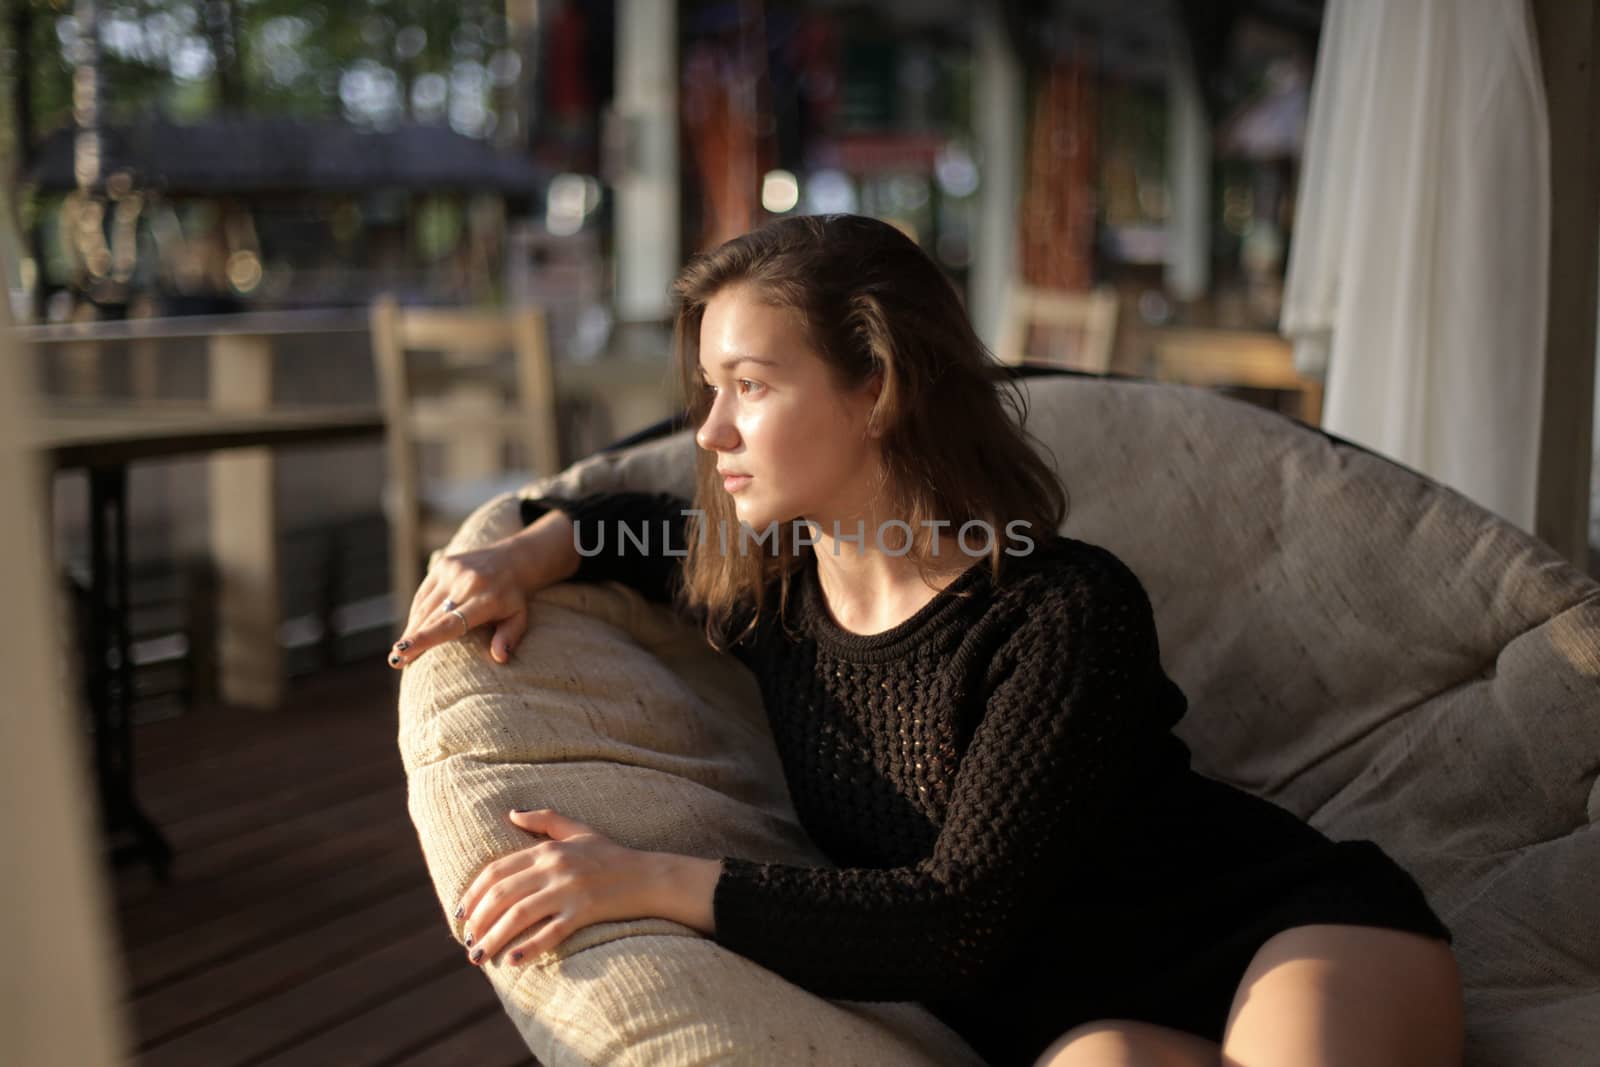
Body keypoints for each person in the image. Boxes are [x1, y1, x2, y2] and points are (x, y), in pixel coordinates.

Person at [385, 214, 1464, 1067]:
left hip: (1280, 937)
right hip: (1084, 1022)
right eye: (709, 390)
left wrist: (647, 878)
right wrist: (520, 554)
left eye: (749, 387)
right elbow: (630, 520)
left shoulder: (1060, 610)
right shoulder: (766, 591)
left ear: (879, 387)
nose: (710, 434)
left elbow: (957, 920)